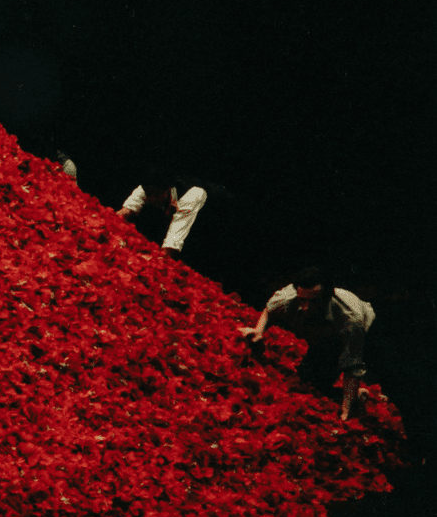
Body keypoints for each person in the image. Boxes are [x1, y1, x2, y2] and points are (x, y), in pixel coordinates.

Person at [238, 266, 376, 420]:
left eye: (314, 301)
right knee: (308, 381)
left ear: (328, 297)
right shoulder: (287, 297)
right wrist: (258, 331)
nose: (306, 307)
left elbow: (352, 366)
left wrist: (346, 412)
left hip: (357, 331)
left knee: (328, 371)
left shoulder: (351, 319)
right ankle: (351, 392)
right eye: (302, 300)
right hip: (320, 332)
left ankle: (353, 396)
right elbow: (269, 311)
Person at [117, 164, 207, 257]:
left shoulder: (192, 195)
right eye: (148, 194)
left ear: (167, 190)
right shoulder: (148, 187)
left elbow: (173, 242)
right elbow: (126, 211)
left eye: (155, 195)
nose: (151, 198)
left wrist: (153, 260)